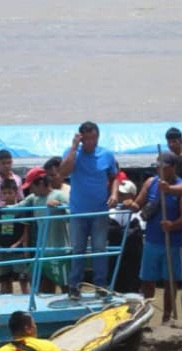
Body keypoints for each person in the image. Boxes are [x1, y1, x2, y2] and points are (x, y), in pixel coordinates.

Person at [127, 151, 182, 322]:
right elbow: (138, 204)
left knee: (170, 281)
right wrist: (130, 204)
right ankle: (146, 314)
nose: (159, 171)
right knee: (147, 280)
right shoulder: (151, 183)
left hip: (172, 242)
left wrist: (173, 225)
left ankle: (167, 316)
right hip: (152, 240)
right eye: (158, 167)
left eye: (163, 168)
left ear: (172, 168)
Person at [59, 121, 119, 300]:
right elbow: (63, 172)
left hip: (100, 211)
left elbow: (114, 177)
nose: (91, 142)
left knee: (100, 249)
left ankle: (101, 286)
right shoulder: (72, 153)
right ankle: (74, 286)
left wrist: (114, 194)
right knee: (78, 250)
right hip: (78, 211)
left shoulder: (107, 154)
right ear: (81, 138)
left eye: (94, 137)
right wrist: (73, 147)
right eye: (87, 138)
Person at [14, 167, 68, 292]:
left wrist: (60, 207)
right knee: (43, 288)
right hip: (42, 251)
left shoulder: (59, 195)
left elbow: (71, 217)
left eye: (32, 186)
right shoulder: (34, 198)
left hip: (60, 250)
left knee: (66, 286)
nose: (30, 190)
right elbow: (17, 207)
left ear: (42, 183)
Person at [0, 180, 29, 295]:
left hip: (17, 250)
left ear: (16, 193)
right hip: (2, 248)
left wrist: (16, 245)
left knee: (23, 279)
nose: (7, 195)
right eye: (4, 193)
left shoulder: (21, 211)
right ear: (1, 194)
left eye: (10, 192)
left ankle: (26, 300)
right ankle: (5, 302)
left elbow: (25, 232)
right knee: (4, 279)